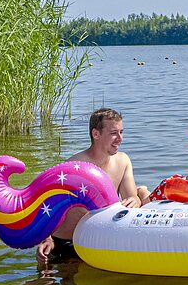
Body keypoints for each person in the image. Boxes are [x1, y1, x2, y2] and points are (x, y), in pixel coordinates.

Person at [37, 107, 148, 262]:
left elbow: (131, 197)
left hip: (99, 241)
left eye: (121, 132)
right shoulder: (74, 166)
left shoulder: (123, 161)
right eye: (113, 133)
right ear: (96, 134)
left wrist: (135, 200)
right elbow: (47, 207)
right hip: (66, 242)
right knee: (62, 283)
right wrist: (47, 239)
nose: (120, 138)